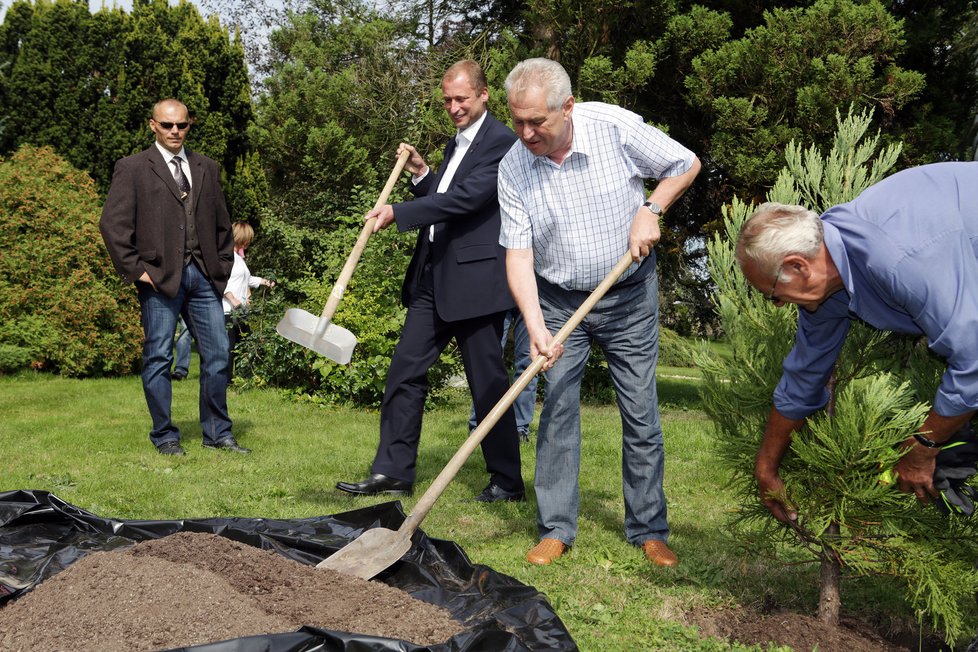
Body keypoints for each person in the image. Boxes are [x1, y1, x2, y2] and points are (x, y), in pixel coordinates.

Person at [497, 58, 701, 566]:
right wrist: (538, 329)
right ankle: (556, 528)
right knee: (558, 410)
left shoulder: (612, 127)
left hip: (628, 296)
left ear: (567, 107)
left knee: (640, 410)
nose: (525, 133)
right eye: (516, 121)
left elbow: (685, 163)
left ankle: (649, 528)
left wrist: (650, 210)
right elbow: (518, 256)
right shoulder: (512, 167)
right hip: (558, 299)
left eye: (536, 122)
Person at [734, 161, 978, 522]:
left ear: (799, 266)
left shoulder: (899, 260)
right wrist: (767, 467)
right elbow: (804, 377)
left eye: (773, 294)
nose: (779, 305)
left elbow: (974, 359)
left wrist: (923, 447)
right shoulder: (831, 276)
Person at [336, 59, 524, 502]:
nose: (454, 107)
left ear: (483, 95)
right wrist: (422, 175)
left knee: (488, 386)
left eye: (461, 98)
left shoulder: (503, 143)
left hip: (477, 285)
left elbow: (466, 199)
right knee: (404, 371)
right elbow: (444, 194)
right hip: (432, 279)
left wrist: (398, 212)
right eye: (447, 100)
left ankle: (507, 480)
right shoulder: (455, 142)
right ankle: (393, 472)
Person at [99, 98, 249, 455]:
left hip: (203, 278)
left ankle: (217, 433)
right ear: (153, 125)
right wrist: (138, 271)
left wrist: (222, 269)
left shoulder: (206, 167)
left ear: (189, 124)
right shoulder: (133, 168)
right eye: (167, 125)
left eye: (182, 125)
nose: (175, 132)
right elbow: (112, 225)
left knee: (217, 356)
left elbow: (221, 225)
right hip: (159, 279)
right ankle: (165, 436)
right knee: (158, 358)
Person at [468, 308, 537, 442]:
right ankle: (478, 424)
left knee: (528, 362)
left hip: (534, 294)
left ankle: (520, 427)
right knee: (489, 362)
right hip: (499, 294)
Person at [222, 221, 275, 375]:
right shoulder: (226, 257)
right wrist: (232, 299)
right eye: (247, 239)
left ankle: (241, 378)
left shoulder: (239, 258)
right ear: (239, 238)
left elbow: (246, 279)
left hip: (240, 311)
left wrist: (264, 282)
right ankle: (225, 382)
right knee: (229, 348)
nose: (248, 243)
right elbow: (219, 280)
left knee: (244, 344)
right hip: (227, 311)